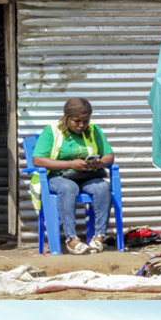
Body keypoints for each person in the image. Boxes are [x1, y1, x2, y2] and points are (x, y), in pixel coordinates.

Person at [31, 98, 116, 255]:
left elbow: (109, 155)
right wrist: (70, 164)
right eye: (77, 121)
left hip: (86, 176)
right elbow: (37, 160)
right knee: (69, 187)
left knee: (103, 187)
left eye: (85, 121)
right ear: (66, 117)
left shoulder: (94, 130)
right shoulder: (51, 131)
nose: (82, 125)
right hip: (56, 177)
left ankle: (99, 237)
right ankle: (71, 239)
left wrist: (100, 163)